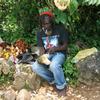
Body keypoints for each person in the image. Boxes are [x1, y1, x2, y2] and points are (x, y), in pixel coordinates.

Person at [31, 11, 68, 96]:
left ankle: (62, 86)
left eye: (47, 24)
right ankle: (54, 80)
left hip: (59, 53)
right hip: (48, 54)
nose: (45, 26)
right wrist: (42, 57)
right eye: (43, 24)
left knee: (54, 65)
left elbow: (65, 46)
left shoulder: (60, 29)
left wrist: (55, 48)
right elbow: (41, 49)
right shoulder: (40, 33)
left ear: (52, 22)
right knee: (35, 67)